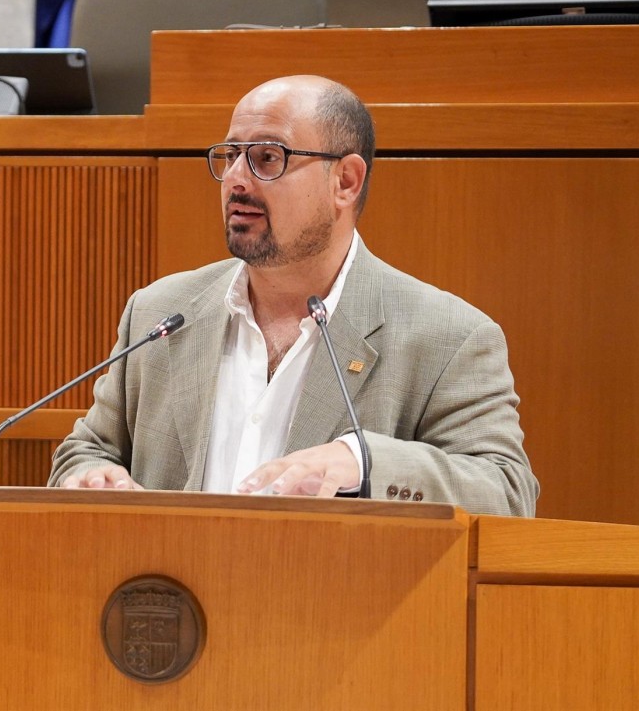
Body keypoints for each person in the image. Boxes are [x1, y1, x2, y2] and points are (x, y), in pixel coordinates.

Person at [49, 75, 539, 517]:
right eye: (230, 155)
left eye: (267, 158)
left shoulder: (447, 336)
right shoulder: (159, 313)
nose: (237, 179)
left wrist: (362, 460)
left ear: (345, 181)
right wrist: (89, 476)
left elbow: (506, 492)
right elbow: (88, 450)